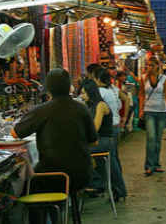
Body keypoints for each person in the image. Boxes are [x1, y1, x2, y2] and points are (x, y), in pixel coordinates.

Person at [12, 69, 98, 223]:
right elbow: (93, 141)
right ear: (69, 86)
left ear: (49, 88)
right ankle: (57, 215)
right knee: (51, 185)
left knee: (28, 186)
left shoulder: (41, 110)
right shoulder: (81, 108)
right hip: (82, 174)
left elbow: (15, 134)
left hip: (53, 176)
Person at [80, 79, 127, 200]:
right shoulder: (89, 105)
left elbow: (94, 128)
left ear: (90, 92)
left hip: (104, 140)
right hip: (97, 140)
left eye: (84, 93)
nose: (82, 96)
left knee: (79, 154)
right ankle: (100, 184)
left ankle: (96, 183)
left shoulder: (100, 105)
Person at [93, 67, 128, 199]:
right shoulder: (112, 88)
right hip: (115, 125)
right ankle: (116, 188)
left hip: (109, 129)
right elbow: (126, 100)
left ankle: (116, 188)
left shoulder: (100, 92)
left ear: (98, 79)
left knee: (110, 159)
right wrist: (124, 116)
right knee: (113, 159)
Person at [138, 56, 166, 176]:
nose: (149, 67)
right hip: (149, 110)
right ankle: (148, 166)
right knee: (151, 137)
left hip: (162, 111)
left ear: (157, 65)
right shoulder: (143, 79)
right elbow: (141, 95)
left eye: (151, 65)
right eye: (147, 65)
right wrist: (141, 110)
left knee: (158, 140)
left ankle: (156, 164)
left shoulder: (164, 79)